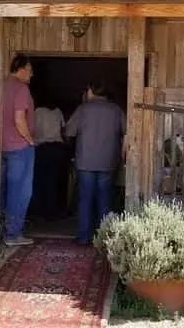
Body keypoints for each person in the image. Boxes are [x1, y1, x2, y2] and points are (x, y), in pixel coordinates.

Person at [65, 81, 126, 245]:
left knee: (85, 199)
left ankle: (84, 237)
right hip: (108, 162)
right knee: (105, 200)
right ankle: (104, 237)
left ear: (91, 91)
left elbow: (69, 131)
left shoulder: (83, 109)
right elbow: (126, 132)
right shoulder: (116, 110)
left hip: (86, 162)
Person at [0, 55, 36, 246]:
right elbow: (19, 119)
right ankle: (13, 234)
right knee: (20, 191)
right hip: (19, 147)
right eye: (30, 70)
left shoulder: (1, 85)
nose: (32, 74)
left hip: (1, 146)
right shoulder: (21, 88)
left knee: (2, 190)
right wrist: (30, 140)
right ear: (21, 69)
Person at [31, 99, 68, 218]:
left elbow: (32, 129)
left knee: (39, 181)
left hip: (42, 148)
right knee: (54, 181)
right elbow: (63, 130)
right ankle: (52, 211)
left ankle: (39, 211)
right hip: (57, 149)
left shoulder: (37, 111)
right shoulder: (58, 112)